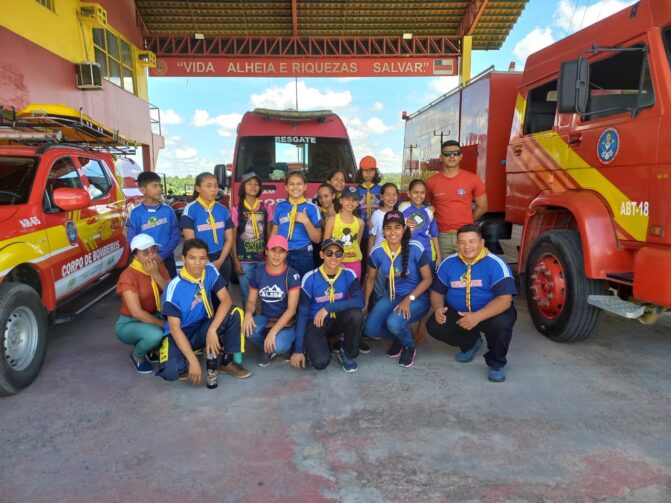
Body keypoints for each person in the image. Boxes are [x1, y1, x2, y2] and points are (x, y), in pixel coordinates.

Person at [427, 225, 516, 382]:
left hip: (490, 312)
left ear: (481, 243)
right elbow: (437, 292)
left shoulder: (495, 264)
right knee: (435, 325)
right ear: (457, 244)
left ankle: (496, 363)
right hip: (459, 312)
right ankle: (470, 343)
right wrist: (438, 307)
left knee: (501, 325)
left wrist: (477, 317)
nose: (467, 247)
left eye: (471, 241)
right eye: (462, 242)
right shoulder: (448, 263)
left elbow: (505, 300)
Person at [157, 238, 251, 383]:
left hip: (202, 326)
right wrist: (193, 361)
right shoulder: (173, 288)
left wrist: (212, 329)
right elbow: (175, 329)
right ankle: (191, 352)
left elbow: (226, 300)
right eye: (192, 258)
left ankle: (227, 361)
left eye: (202, 258)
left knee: (235, 313)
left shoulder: (210, 270)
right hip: (181, 332)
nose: (198, 263)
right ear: (183, 259)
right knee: (172, 372)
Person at [362, 211, 432, 368]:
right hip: (393, 295)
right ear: (383, 231)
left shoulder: (415, 247)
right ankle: (400, 336)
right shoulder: (378, 251)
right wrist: (365, 303)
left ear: (404, 228)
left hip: (417, 298)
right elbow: (371, 278)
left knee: (393, 322)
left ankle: (408, 345)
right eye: (388, 228)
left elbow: (428, 279)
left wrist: (409, 300)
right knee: (370, 328)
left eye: (397, 227)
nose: (392, 232)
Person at [291, 239, 365, 373]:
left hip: (336, 320)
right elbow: (302, 314)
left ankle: (346, 353)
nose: (333, 257)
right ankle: (318, 344)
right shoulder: (310, 277)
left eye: (338, 254)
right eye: (329, 253)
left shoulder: (348, 274)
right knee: (320, 363)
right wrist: (298, 349)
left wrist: (329, 307)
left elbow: (360, 301)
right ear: (321, 255)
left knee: (356, 314)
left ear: (343, 256)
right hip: (315, 323)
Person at [115, 234, 171, 373]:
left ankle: (152, 348)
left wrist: (156, 274)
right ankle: (137, 356)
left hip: (154, 314)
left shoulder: (157, 266)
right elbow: (137, 313)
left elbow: (172, 293)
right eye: (145, 253)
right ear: (135, 256)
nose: (152, 256)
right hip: (130, 322)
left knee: (181, 322)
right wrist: (164, 325)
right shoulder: (128, 276)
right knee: (157, 334)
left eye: (154, 251)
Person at [243, 235, 301, 367]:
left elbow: (291, 309)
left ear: (286, 254)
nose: (277, 255)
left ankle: (278, 345)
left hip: (287, 322)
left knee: (280, 346)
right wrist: (247, 314)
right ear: (267, 251)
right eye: (273, 250)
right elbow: (251, 301)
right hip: (267, 318)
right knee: (247, 329)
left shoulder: (292, 274)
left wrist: (273, 332)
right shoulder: (258, 273)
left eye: (281, 251)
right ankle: (268, 347)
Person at [426, 140, 488, 257]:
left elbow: (483, 207)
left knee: (468, 270)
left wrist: (468, 222)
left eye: (455, 153)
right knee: (443, 271)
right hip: (441, 236)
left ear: (461, 156)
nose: (452, 156)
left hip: (466, 235)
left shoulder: (473, 179)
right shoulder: (431, 182)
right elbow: (425, 207)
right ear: (441, 158)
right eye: (447, 154)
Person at [181, 172, 234, 281]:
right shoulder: (190, 210)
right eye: (209, 186)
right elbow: (191, 242)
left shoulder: (223, 209)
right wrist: (206, 262)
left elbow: (229, 238)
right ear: (198, 188)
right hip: (201, 259)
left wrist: (220, 260)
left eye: (216, 186)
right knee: (203, 294)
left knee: (222, 293)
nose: (214, 189)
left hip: (223, 257)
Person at [126, 172, 180, 277]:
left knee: (169, 289)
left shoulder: (168, 211)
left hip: (167, 258)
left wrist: (162, 256)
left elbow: (175, 236)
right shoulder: (135, 213)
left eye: (160, 186)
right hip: (145, 262)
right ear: (143, 190)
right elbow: (132, 240)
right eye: (154, 186)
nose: (159, 189)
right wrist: (145, 257)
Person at [231, 172, 272, 307]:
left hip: (262, 259)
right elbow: (232, 237)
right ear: (243, 187)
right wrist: (236, 261)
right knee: (246, 294)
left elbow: (270, 233)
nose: (253, 186)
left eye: (256, 184)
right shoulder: (236, 209)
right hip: (244, 260)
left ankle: (264, 320)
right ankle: (249, 321)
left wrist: (270, 256)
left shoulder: (266, 207)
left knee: (266, 291)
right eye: (250, 184)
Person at [271, 172, 322, 277]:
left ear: (305, 187)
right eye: (291, 184)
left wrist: (306, 221)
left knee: (303, 286)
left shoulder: (312, 208)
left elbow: (317, 239)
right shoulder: (280, 206)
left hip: (303, 253)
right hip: (282, 252)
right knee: (284, 286)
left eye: (299, 184)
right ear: (286, 187)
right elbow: (274, 232)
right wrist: (270, 252)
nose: (295, 187)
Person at [398, 179, 441, 269]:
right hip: (406, 252)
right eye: (415, 192)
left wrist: (439, 257)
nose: (419, 196)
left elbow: (434, 235)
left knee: (427, 280)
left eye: (422, 193)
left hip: (427, 252)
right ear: (408, 193)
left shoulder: (429, 211)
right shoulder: (401, 206)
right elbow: (387, 205)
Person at [323, 186, 365, 278]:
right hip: (335, 261)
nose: (350, 202)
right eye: (347, 199)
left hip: (355, 262)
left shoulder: (360, 223)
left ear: (358, 203)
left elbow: (357, 243)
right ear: (341, 200)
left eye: (354, 200)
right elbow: (325, 244)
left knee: (353, 289)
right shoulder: (332, 220)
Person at [355, 155, 382, 258]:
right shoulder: (355, 190)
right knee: (361, 257)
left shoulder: (381, 189)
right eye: (365, 170)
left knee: (375, 257)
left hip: (377, 231)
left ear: (376, 171)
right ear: (360, 171)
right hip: (360, 231)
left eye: (372, 170)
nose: (369, 173)